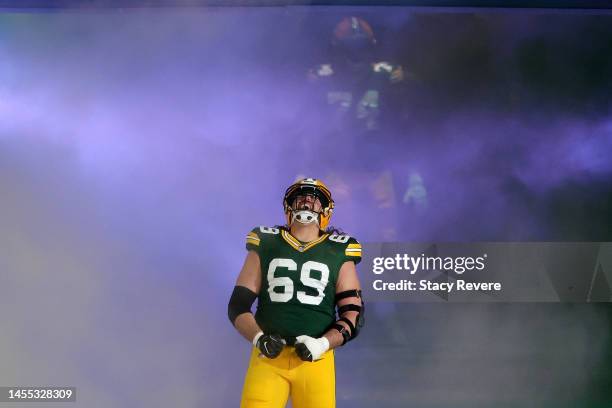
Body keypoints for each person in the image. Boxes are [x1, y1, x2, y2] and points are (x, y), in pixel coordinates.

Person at [228, 177, 364, 408]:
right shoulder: (266, 241)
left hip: (316, 361)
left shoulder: (339, 249)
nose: (306, 202)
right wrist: (259, 338)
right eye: (300, 197)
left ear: (326, 208)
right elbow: (238, 305)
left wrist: (322, 344)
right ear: (288, 205)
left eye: (314, 198)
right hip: (268, 358)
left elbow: (353, 314)